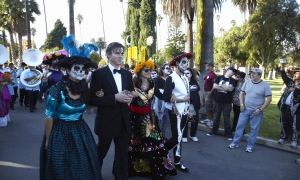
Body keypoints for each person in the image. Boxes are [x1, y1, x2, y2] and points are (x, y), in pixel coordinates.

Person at [39, 39, 102, 179]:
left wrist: (97, 96)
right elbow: (48, 116)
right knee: (61, 164)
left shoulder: (84, 87)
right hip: (59, 131)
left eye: (82, 69)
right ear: (67, 70)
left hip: (80, 130)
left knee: (83, 164)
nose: (80, 72)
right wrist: (48, 139)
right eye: (76, 68)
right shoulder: (57, 90)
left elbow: (87, 106)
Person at [90, 42, 133, 180]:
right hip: (106, 121)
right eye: (117, 53)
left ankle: (121, 177)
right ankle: (94, 175)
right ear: (108, 55)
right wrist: (114, 97)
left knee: (122, 154)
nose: (120, 55)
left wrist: (129, 98)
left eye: (121, 53)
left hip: (124, 120)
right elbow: (93, 100)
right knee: (101, 151)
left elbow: (130, 92)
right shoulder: (98, 74)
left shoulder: (127, 74)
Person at [128, 60, 177, 179]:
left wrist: (171, 95)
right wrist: (129, 93)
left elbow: (162, 96)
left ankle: (155, 169)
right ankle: (135, 169)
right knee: (135, 142)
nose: (150, 72)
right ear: (140, 72)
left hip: (150, 118)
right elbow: (125, 96)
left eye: (151, 70)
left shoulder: (152, 84)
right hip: (134, 118)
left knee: (153, 142)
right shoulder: (132, 84)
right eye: (146, 70)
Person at [228, 68, 272, 153]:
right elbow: (241, 93)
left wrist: (260, 109)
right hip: (245, 109)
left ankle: (250, 146)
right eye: (252, 73)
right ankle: (235, 142)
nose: (252, 75)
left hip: (256, 111)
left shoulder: (265, 85)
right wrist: (241, 104)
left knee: (254, 129)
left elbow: (269, 99)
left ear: (259, 75)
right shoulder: (247, 82)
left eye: (255, 74)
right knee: (239, 127)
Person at [163, 52, 193, 172]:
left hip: (185, 111)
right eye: (184, 62)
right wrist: (182, 100)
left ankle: (177, 161)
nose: (186, 65)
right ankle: (160, 152)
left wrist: (191, 109)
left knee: (180, 138)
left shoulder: (185, 77)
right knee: (177, 138)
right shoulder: (171, 78)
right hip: (175, 113)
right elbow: (166, 97)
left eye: (187, 62)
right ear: (177, 63)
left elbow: (188, 96)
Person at [207, 67, 237, 140]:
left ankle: (228, 134)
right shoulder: (219, 77)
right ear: (227, 70)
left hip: (227, 102)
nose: (232, 72)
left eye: (234, 72)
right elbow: (214, 86)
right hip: (217, 101)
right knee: (216, 117)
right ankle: (214, 131)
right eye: (232, 70)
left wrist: (219, 86)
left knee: (226, 118)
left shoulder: (233, 80)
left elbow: (230, 89)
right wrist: (225, 87)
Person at [277, 62, 299, 148]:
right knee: (284, 122)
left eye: (297, 74)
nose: (295, 75)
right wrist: (282, 67)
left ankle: (294, 140)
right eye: (295, 73)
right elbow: (284, 76)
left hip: (296, 109)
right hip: (285, 107)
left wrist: (295, 89)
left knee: (294, 125)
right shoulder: (290, 82)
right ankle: (283, 137)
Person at [182, 68, 203, 142]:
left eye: (188, 73)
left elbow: (198, 91)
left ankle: (193, 134)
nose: (186, 75)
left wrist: (200, 100)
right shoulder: (181, 82)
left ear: (191, 74)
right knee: (185, 119)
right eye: (185, 73)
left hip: (194, 104)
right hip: (185, 104)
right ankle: (184, 135)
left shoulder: (194, 81)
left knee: (195, 119)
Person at [153, 63, 171, 136]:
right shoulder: (157, 79)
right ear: (162, 70)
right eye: (167, 68)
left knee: (166, 119)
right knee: (159, 119)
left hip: (169, 101)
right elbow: (155, 91)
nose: (169, 69)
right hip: (159, 102)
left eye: (169, 68)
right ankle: (158, 135)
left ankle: (162, 135)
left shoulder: (171, 79)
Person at [200, 62, 217, 128]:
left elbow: (214, 85)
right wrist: (205, 77)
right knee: (207, 106)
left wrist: (211, 92)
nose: (206, 67)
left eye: (207, 66)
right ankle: (207, 119)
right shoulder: (208, 74)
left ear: (211, 67)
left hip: (209, 92)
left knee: (210, 107)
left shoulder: (213, 75)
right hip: (206, 92)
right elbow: (207, 79)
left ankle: (210, 120)